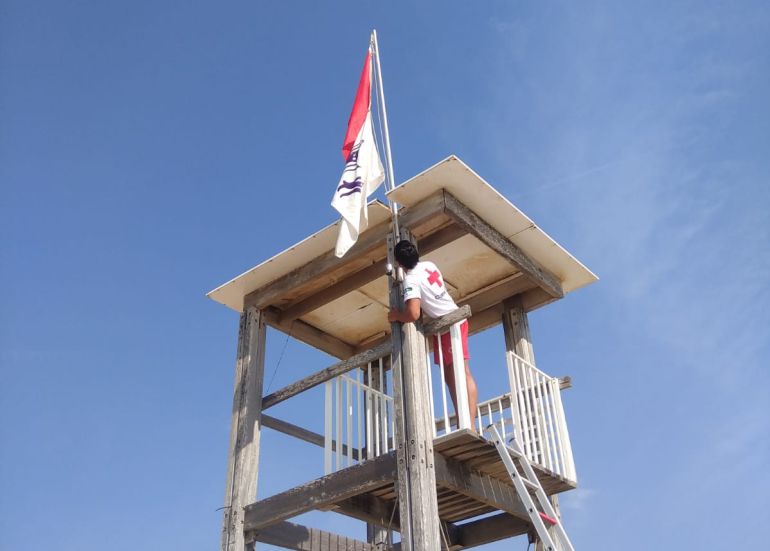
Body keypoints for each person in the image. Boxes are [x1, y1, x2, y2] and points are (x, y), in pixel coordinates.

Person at [387, 239, 478, 431]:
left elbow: (413, 314)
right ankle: (465, 420)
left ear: (399, 263)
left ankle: (469, 423)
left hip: (451, 324)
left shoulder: (410, 280)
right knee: (452, 374)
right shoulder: (429, 265)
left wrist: (396, 315)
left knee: (460, 372)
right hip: (449, 324)